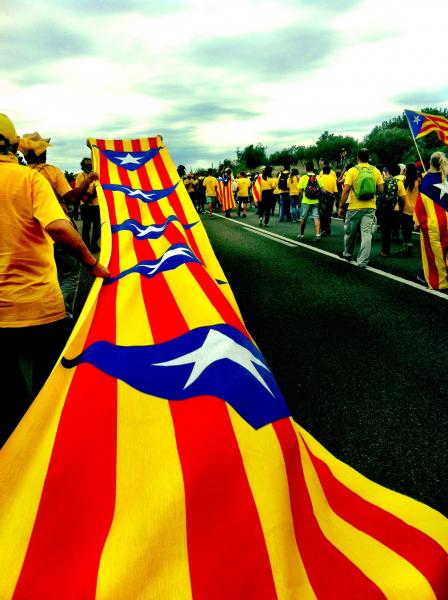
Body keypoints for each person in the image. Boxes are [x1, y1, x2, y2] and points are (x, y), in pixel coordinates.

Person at [0, 114, 109, 446]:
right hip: (38, 308)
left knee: (9, 401)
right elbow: (60, 227)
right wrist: (92, 262)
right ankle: (48, 458)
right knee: (50, 395)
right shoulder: (30, 179)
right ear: (13, 145)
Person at [19, 136, 99, 319]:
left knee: (47, 275)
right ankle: (64, 315)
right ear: (41, 153)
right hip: (58, 229)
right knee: (70, 273)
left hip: (33, 234)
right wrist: (89, 181)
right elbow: (72, 198)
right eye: (44, 149)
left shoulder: (22, 172)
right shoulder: (51, 171)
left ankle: (43, 313)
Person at [338, 148, 384, 268]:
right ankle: (362, 261)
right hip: (370, 207)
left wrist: (341, 206)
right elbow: (381, 190)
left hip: (354, 207)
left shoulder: (352, 171)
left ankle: (347, 253)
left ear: (358, 158)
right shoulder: (376, 171)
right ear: (369, 158)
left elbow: (346, 190)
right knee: (366, 235)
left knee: (350, 233)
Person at [414, 151, 448, 289]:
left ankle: (440, 281)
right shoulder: (446, 178)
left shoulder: (427, 181)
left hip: (434, 225)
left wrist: (417, 223)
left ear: (430, 162)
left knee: (435, 255)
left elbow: (420, 206)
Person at [378, 163, 406, 257]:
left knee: (385, 231)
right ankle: (396, 238)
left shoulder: (384, 181)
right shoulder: (399, 182)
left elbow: (380, 193)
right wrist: (402, 207)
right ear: (399, 172)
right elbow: (402, 198)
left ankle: (384, 251)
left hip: (385, 209)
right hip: (395, 209)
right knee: (394, 228)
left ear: (389, 172)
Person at [76, 157, 100, 252]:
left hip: (96, 205)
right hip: (85, 205)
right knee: (86, 226)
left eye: (90, 165)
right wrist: (88, 196)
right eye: (87, 165)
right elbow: (78, 190)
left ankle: (94, 245)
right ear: (83, 166)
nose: (89, 166)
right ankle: (86, 246)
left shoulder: (96, 176)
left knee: (97, 226)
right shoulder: (80, 176)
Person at [297, 161, 324, 241]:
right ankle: (318, 234)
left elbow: (299, 191)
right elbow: (322, 189)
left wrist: (300, 200)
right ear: (313, 168)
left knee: (303, 218)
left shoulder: (303, 178)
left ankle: (301, 234)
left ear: (306, 168)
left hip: (306, 201)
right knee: (316, 218)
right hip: (315, 201)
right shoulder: (318, 177)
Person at [401, 163, 420, 256]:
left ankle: (407, 244)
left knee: (406, 229)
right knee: (415, 228)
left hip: (406, 208)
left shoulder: (405, 181)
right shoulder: (419, 181)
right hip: (416, 209)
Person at [318, 164, 338, 236]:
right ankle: (328, 229)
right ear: (330, 171)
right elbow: (335, 191)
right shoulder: (333, 178)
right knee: (328, 214)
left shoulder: (320, 178)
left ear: (323, 171)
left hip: (322, 197)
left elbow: (318, 189)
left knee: (322, 213)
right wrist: (337, 200)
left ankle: (323, 229)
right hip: (330, 197)